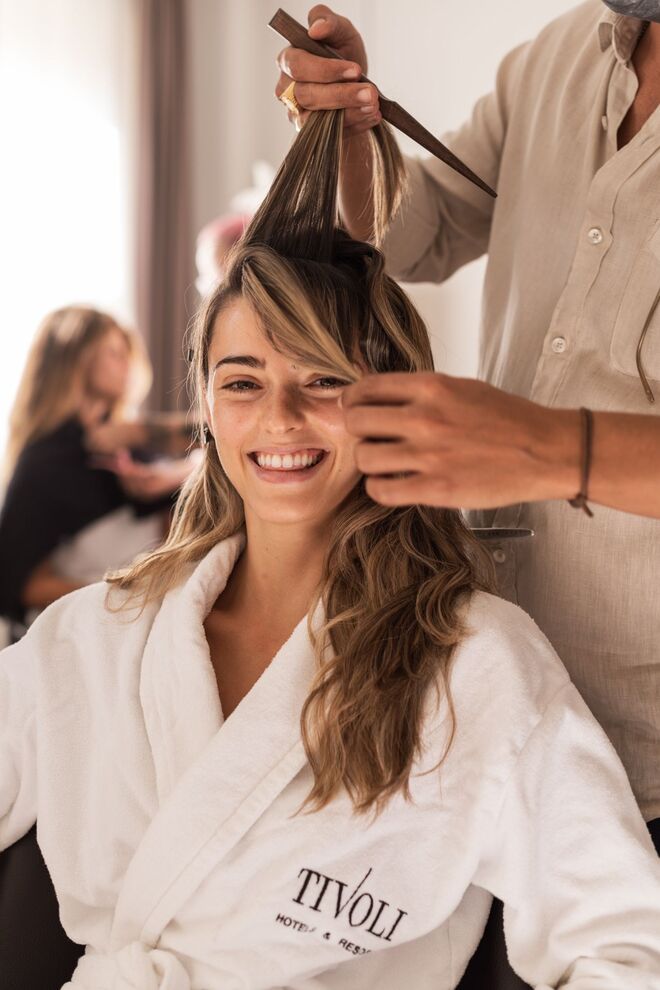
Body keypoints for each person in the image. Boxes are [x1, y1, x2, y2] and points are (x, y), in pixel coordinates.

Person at [1, 105, 659, 990]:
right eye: (243, 382)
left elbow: (628, 945)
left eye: (325, 381)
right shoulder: (95, 636)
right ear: (206, 406)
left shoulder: (476, 667)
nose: (280, 417)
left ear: (392, 401)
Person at [274, 1, 660, 853]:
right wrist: (350, 145)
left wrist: (552, 448)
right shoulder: (553, 60)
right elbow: (420, 230)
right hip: (488, 714)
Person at [0, 305, 193, 638]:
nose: (128, 364)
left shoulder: (132, 449)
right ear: (77, 359)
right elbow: (20, 586)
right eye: (114, 352)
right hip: (78, 638)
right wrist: (125, 594)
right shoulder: (45, 465)